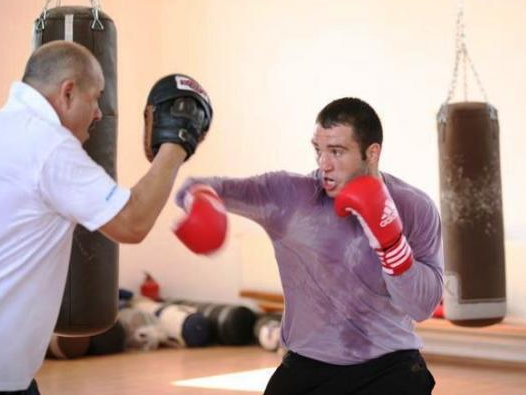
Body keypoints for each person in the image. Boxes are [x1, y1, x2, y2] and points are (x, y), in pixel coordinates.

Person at [176, 97, 443, 394]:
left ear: (372, 153)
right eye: (319, 150)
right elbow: (196, 187)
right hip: (308, 365)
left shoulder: (414, 207)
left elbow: (422, 307)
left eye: (337, 152)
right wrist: (199, 201)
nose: (324, 164)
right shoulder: (290, 196)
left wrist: (391, 245)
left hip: (390, 367)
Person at [0, 41, 212, 394]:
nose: (98, 113)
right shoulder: (47, 145)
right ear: (68, 92)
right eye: (95, 97)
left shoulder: (0, 128)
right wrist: (177, 141)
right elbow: (132, 222)